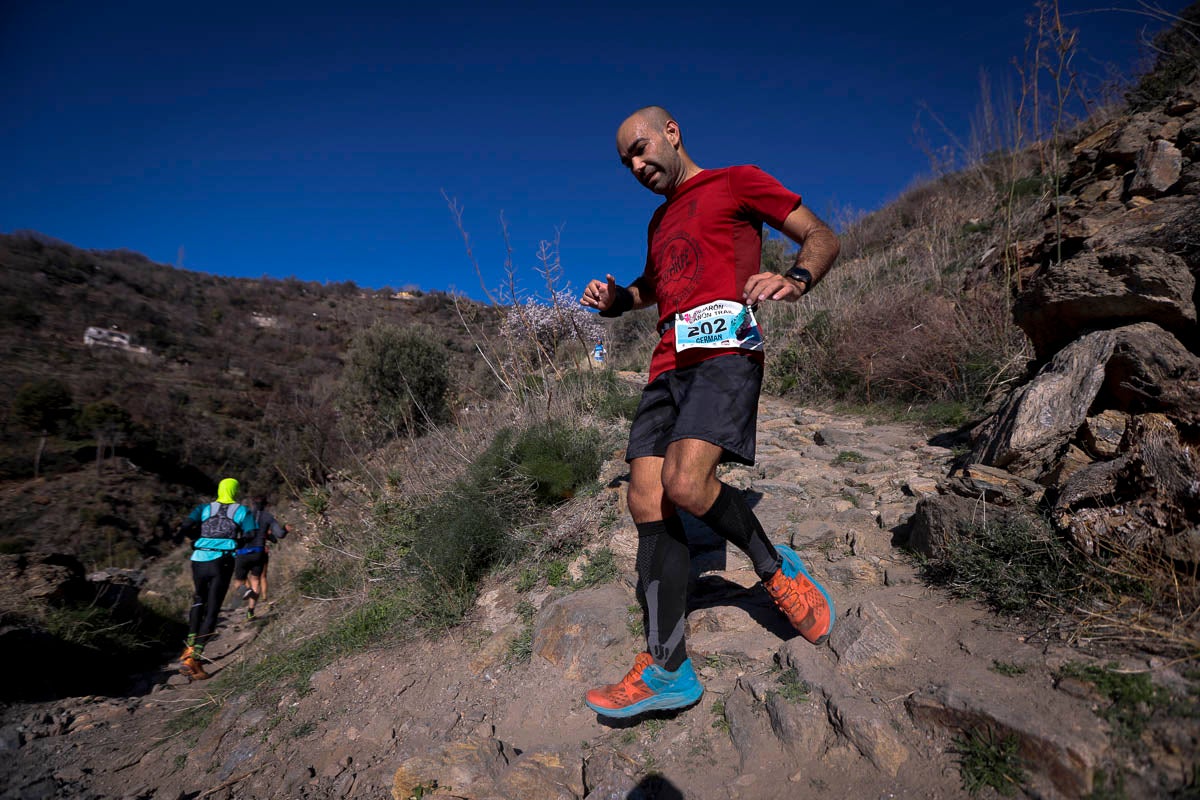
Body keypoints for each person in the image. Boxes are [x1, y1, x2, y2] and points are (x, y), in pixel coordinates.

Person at [578, 106, 841, 719]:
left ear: (672, 133)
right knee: (646, 500)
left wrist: (797, 278)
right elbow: (651, 288)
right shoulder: (658, 220)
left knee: (686, 484)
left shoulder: (737, 181)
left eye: (642, 149)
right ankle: (668, 667)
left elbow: (822, 235)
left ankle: (775, 570)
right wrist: (617, 300)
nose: (638, 166)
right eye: (627, 163)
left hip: (724, 355)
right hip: (665, 367)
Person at [177, 477, 258, 680]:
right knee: (213, 608)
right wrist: (235, 543)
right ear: (235, 491)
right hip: (221, 561)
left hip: (198, 559)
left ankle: (188, 648)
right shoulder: (241, 511)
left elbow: (185, 527)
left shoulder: (203, 509)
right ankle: (194, 658)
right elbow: (252, 533)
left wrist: (197, 539)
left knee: (198, 601)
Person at [232, 495, 290, 620]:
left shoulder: (242, 515)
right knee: (256, 581)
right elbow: (279, 534)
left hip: (242, 553)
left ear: (252, 503)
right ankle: (250, 611)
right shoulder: (268, 517)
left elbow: (233, 532)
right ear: (266, 504)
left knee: (238, 582)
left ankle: (245, 591)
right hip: (258, 553)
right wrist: (285, 529)